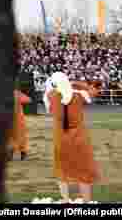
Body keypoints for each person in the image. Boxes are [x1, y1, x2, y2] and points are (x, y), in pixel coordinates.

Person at [45, 72, 99, 202]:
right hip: (79, 138)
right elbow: (94, 91)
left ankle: (65, 199)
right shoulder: (79, 96)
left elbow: (50, 89)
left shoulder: (51, 96)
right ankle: (86, 201)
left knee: (61, 169)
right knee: (83, 170)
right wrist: (77, 84)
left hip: (61, 138)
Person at [8, 88, 31, 161]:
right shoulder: (17, 93)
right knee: (21, 137)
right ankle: (23, 154)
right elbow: (28, 100)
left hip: (10, 119)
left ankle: (10, 155)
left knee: (11, 137)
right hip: (19, 120)